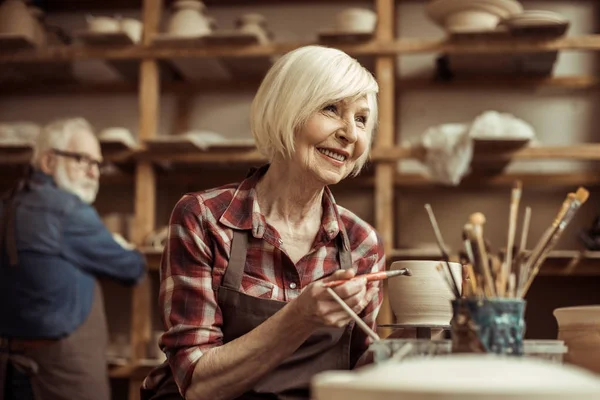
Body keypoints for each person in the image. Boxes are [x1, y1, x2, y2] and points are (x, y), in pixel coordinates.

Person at [141, 45, 385, 400]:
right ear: (286, 110)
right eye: (331, 109)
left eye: (361, 119)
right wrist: (301, 316)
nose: (350, 133)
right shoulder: (205, 218)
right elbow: (198, 385)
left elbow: (362, 371)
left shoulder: (362, 242)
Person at [0, 118, 147, 400]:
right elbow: (132, 268)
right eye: (82, 160)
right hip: (58, 376)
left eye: (98, 164)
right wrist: (119, 246)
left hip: (10, 371)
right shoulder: (67, 211)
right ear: (49, 162)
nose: (94, 173)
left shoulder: (8, 203)